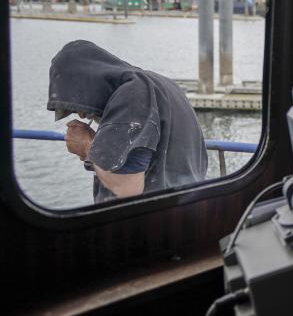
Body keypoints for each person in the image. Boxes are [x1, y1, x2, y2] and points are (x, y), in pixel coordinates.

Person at [48, 40, 208, 203]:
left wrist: (87, 146)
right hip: (189, 205)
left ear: (85, 85)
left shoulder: (132, 95)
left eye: (77, 106)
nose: (81, 115)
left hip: (155, 218)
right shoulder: (158, 83)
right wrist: (100, 146)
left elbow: (126, 189)